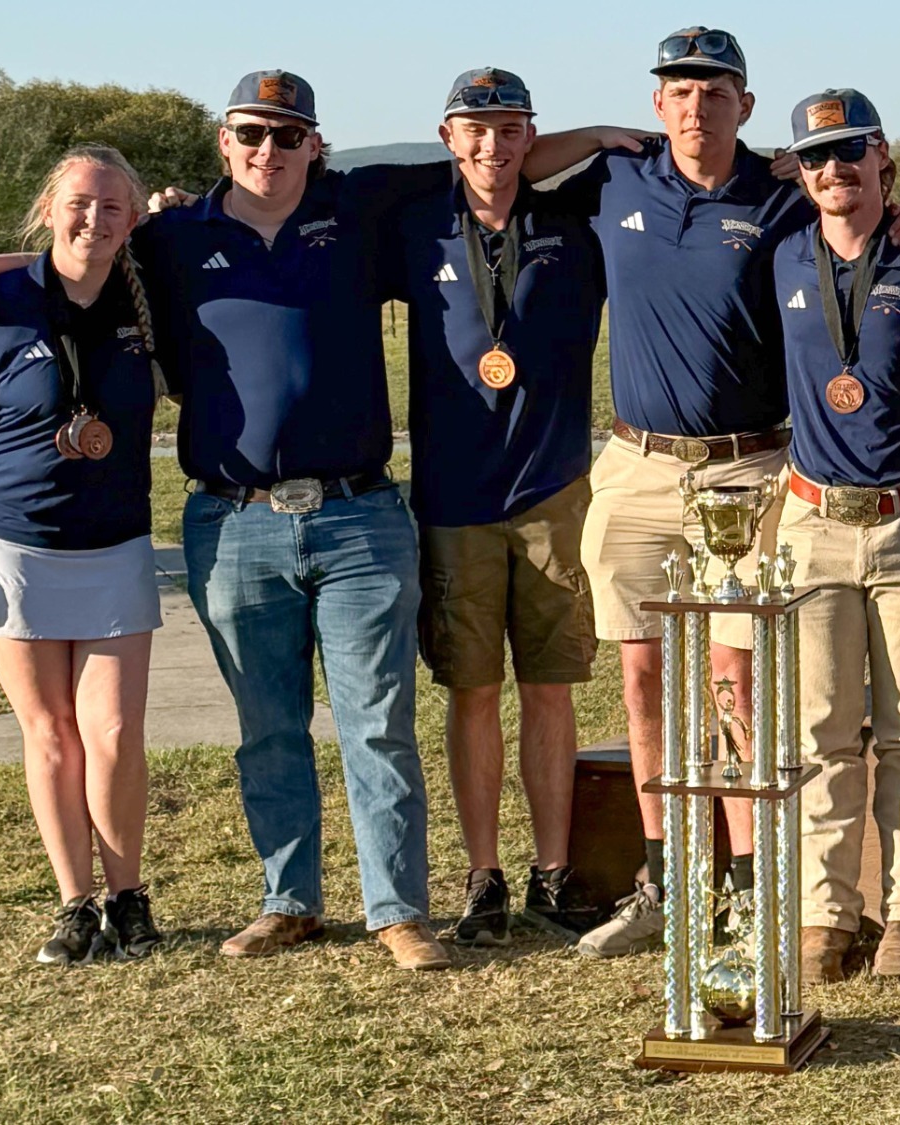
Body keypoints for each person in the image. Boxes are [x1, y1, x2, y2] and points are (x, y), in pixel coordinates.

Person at [0, 70, 455, 970]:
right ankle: (289, 900)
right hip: (234, 521)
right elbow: (78, 245)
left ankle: (397, 911)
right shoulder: (173, 234)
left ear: (315, 145)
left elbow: (491, 160)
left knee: (377, 720)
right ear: (225, 141)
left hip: (358, 514)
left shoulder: (360, 211)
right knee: (267, 725)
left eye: (288, 135)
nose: (269, 150)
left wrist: (627, 141)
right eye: (251, 133)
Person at [523, 29, 900, 958]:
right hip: (634, 465)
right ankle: (672, 883)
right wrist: (597, 131)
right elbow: (510, 168)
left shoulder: (780, 195)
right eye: (677, 90)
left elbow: (853, 224)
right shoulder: (617, 179)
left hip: (750, 470)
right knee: (643, 680)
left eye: (713, 91)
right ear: (658, 101)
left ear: (744, 105)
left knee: (736, 680)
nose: (693, 106)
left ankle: (757, 891)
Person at [0, 145, 165, 966]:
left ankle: (130, 897)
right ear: (48, 206)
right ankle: (76, 903)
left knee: (116, 728)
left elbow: (225, 214)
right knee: (52, 734)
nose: (92, 218)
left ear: (133, 219)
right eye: (78, 203)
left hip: (117, 545)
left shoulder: (147, 290)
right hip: (9, 549)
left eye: (110, 207)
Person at [384, 69, 608, 945]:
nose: (492, 147)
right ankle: (484, 875)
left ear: (531, 137)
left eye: (509, 130)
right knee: (472, 692)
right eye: (474, 131)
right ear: (447, 138)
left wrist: (597, 135)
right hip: (454, 497)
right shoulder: (410, 226)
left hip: (554, 491)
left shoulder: (574, 222)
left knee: (550, 690)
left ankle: (552, 874)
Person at [772, 89, 900, 982]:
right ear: (800, 170)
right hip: (814, 520)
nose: (834, 168)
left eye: (851, 150)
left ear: (883, 157)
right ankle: (825, 914)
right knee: (819, 732)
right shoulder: (779, 258)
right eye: (816, 156)